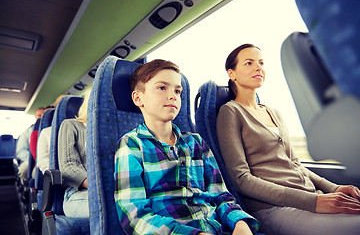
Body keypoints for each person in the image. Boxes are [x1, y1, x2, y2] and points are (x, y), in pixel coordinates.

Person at [216, 44, 360, 235]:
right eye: (249, 63)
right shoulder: (230, 112)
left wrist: (335, 188)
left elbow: (295, 164)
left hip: (308, 196)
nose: (258, 67)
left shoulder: (274, 112)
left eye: (261, 62)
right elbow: (242, 179)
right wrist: (314, 202)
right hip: (272, 208)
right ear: (232, 73)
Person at [114, 59, 259, 234]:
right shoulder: (132, 144)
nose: (172, 96)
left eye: (177, 91)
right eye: (162, 88)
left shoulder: (196, 142)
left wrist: (239, 223)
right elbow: (134, 215)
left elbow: (220, 194)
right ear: (138, 98)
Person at [58, 89, 91, 218]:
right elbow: (68, 167)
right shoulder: (71, 125)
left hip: (114, 191)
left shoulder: (113, 130)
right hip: (78, 192)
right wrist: (98, 186)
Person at [16, 107, 45, 182]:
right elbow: (21, 151)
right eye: (39, 115)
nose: (42, 117)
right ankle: (25, 189)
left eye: (44, 114)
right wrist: (32, 160)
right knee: (25, 169)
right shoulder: (27, 133)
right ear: (35, 117)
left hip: (44, 159)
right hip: (29, 160)